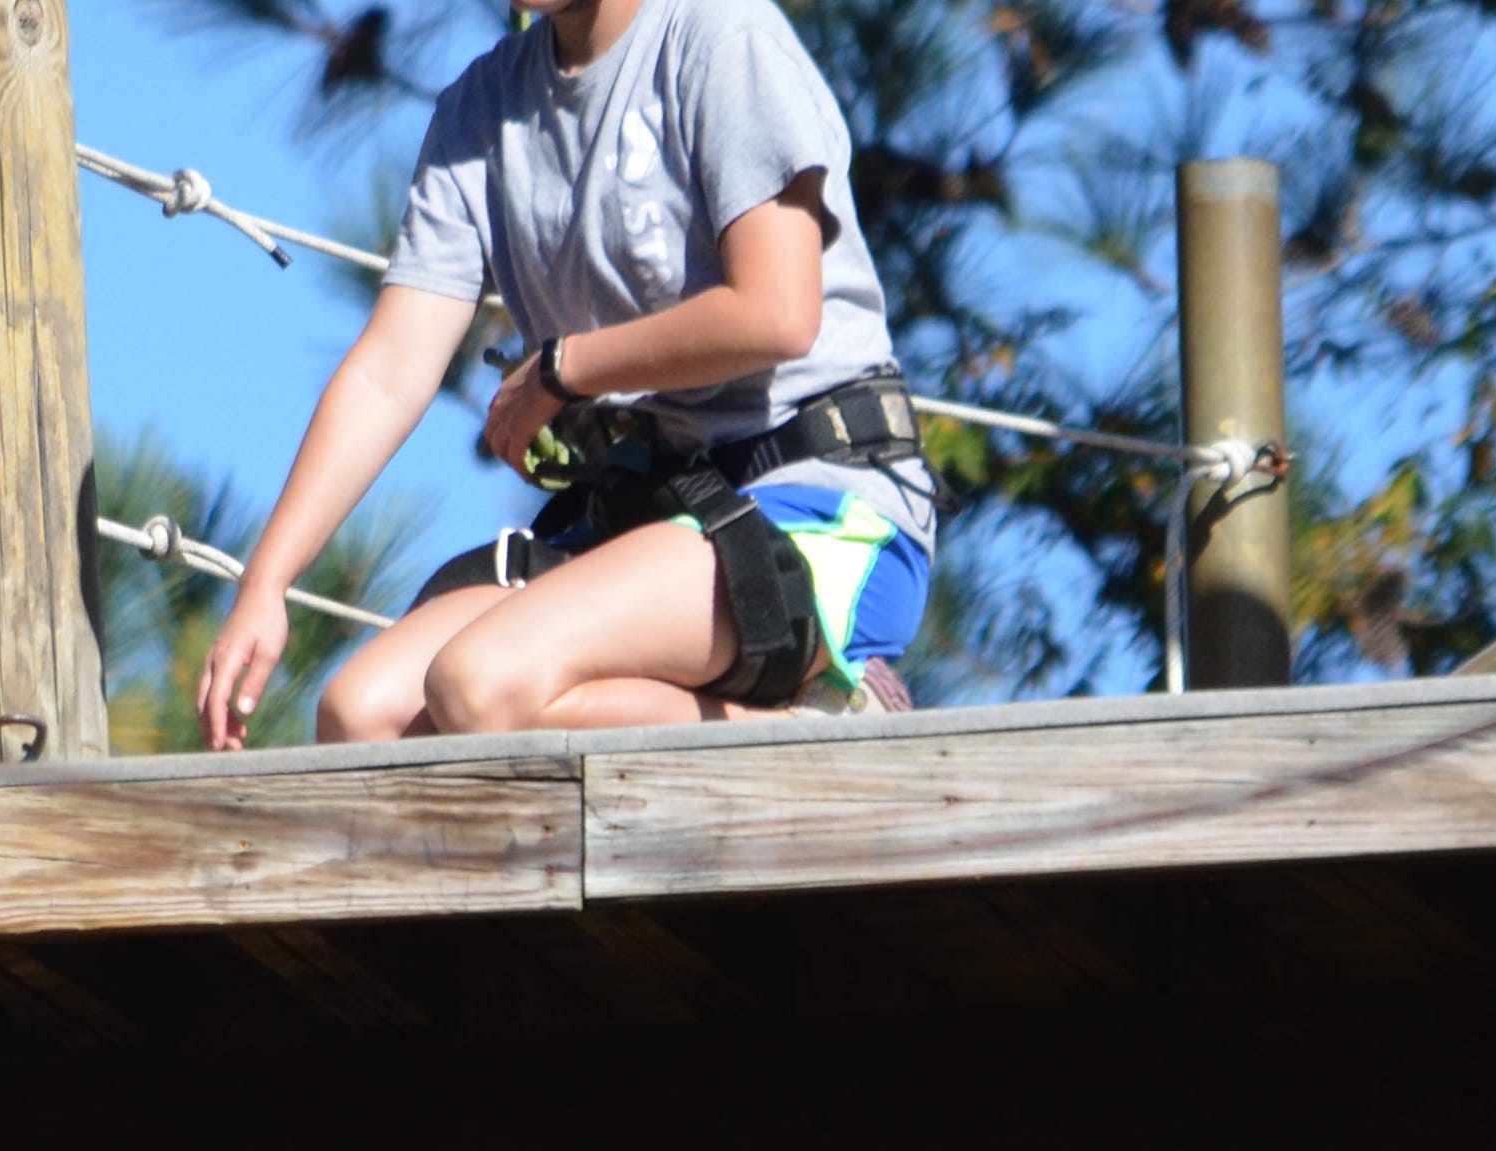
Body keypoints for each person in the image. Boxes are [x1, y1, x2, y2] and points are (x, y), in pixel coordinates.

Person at [190, 0, 938, 753]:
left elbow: (777, 312)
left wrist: (563, 369)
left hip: (822, 501)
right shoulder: (481, 110)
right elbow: (390, 370)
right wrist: (266, 583)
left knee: (480, 685)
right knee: (363, 716)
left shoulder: (719, 32)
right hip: (653, 523)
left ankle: (821, 733)